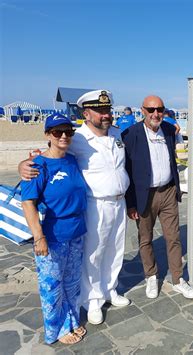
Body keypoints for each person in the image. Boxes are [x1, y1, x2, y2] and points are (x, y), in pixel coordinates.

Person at [19, 90, 131, 325]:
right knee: (94, 253)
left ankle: (110, 290)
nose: (105, 115)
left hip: (120, 202)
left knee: (115, 249)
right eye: (99, 111)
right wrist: (23, 164)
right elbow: (49, 154)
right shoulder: (75, 138)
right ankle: (93, 300)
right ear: (86, 113)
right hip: (95, 204)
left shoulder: (118, 134)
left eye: (107, 110)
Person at [122, 95, 193, 300]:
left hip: (168, 192)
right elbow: (126, 170)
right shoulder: (130, 134)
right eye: (151, 109)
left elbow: (179, 156)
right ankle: (151, 276)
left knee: (173, 238)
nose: (156, 114)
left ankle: (178, 279)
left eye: (160, 109)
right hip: (144, 195)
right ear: (143, 110)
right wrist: (130, 204)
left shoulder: (170, 130)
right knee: (145, 239)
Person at [21, 113, 87, 345]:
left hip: (76, 232)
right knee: (52, 287)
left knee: (70, 283)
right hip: (52, 236)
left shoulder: (72, 160)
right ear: (48, 134)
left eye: (68, 132)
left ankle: (70, 320)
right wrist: (39, 238)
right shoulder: (37, 165)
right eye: (57, 132)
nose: (63, 136)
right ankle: (55, 331)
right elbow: (27, 202)